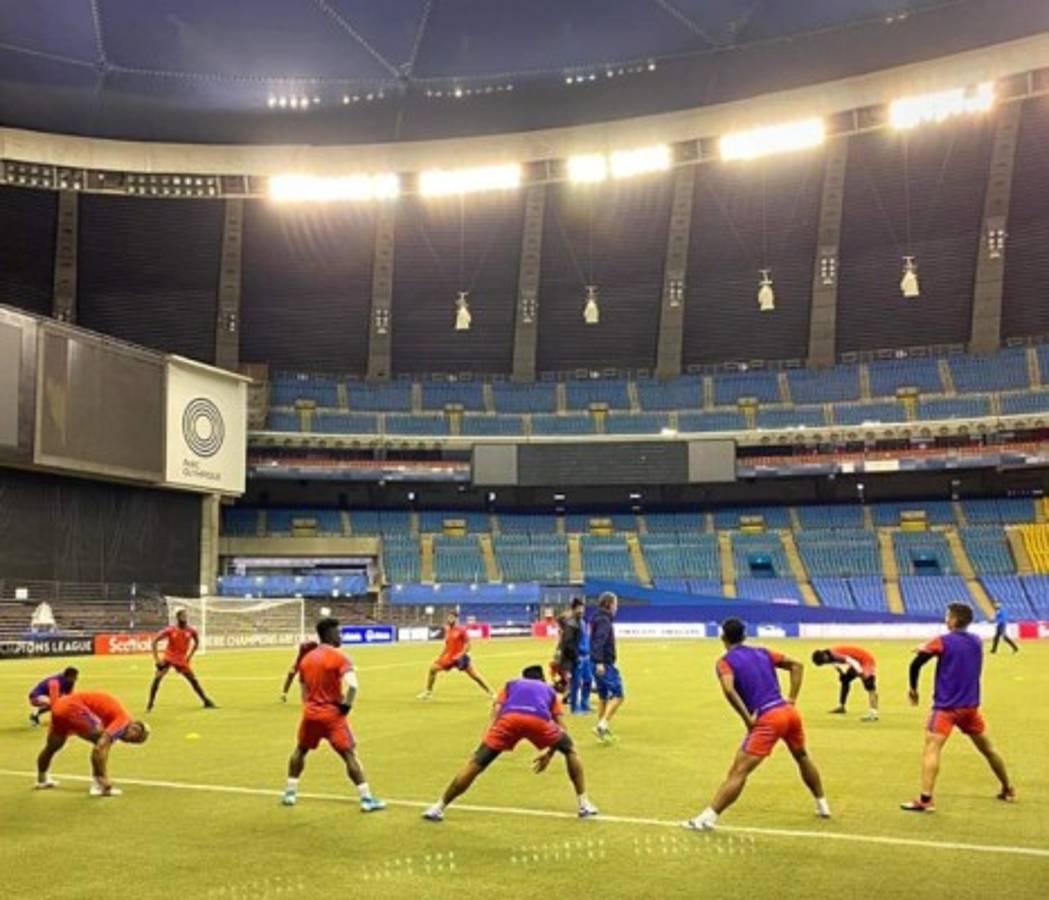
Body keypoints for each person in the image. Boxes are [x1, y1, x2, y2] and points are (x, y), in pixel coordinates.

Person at [684, 618, 831, 831]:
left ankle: (707, 819)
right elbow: (797, 665)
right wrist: (791, 699)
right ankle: (822, 805)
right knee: (802, 756)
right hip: (788, 713)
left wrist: (747, 719)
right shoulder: (763, 652)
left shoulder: (725, 662)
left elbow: (728, 689)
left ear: (723, 637)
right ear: (744, 635)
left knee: (739, 771)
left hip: (768, 718)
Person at [422, 664, 598, 821]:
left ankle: (438, 807)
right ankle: (584, 804)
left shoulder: (511, 684)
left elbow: (496, 711)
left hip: (509, 720)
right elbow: (562, 728)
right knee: (571, 750)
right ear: (542, 679)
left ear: (523, 677)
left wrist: (486, 741)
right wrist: (549, 754)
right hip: (538, 720)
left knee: (476, 764)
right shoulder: (549, 691)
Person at [901, 602, 1016, 812]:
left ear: (953, 620)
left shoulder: (942, 641)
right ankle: (1008, 788)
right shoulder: (976, 641)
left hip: (945, 708)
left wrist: (913, 688)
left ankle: (926, 800)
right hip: (970, 707)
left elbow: (915, 664)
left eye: (948, 616)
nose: (946, 619)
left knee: (932, 749)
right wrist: (926, 646)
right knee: (988, 749)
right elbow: (955, 647)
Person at [281, 617, 385, 811]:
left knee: (301, 750)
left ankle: (290, 793)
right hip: (332, 715)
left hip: (310, 714)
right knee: (349, 754)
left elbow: (303, 689)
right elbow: (353, 686)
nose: (341, 636)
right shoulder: (339, 658)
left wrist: (309, 706)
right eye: (338, 632)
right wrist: (346, 706)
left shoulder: (307, 659)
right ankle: (366, 799)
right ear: (329, 634)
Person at [35, 689, 149, 797]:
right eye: (133, 739)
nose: (128, 742)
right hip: (72, 707)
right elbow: (100, 747)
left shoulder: (116, 718)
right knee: (102, 742)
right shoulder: (123, 721)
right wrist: (104, 779)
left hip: (59, 707)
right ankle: (100, 784)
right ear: (135, 728)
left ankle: (42, 779)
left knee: (53, 746)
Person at [147, 609, 216, 711]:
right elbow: (154, 641)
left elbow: (196, 642)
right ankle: (150, 703)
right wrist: (157, 659)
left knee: (193, 680)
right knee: (157, 679)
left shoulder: (191, 631)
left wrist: (189, 657)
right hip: (169, 658)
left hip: (181, 660)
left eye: (185, 616)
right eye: (183, 616)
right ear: (178, 617)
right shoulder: (171, 630)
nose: (185, 617)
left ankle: (206, 701)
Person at [417, 611, 494, 700]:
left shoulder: (461, 630)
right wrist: (441, 655)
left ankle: (491, 693)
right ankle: (428, 693)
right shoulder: (448, 630)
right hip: (448, 658)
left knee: (475, 676)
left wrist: (461, 654)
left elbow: (468, 644)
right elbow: (447, 645)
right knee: (432, 669)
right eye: (449, 617)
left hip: (459, 658)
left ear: (456, 619)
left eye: (452, 617)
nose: (450, 619)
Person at [811, 646, 879, 721]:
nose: (826, 663)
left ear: (824, 656)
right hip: (857, 661)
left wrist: (861, 673)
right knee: (845, 680)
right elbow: (836, 664)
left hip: (866, 660)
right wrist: (842, 674)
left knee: (869, 684)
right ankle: (842, 707)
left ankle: (873, 713)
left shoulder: (835, 654)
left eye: (825, 661)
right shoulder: (828, 655)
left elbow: (852, 662)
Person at [589, 592, 623, 741]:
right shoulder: (604, 620)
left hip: (596, 662)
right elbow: (599, 641)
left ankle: (601, 733)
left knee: (603, 697)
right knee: (618, 695)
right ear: (609, 604)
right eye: (615, 604)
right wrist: (600, 662)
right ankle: (602, 725)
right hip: (604, 664)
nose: (617, 607)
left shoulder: (598, 618)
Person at [552, 600, 585, 702]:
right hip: (567, 653)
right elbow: (567, 642)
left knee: (568, 676)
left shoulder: (572, 624)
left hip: (565, 652)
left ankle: (566, 692)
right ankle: (566, 693)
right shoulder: (570, 624)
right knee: (570, 676)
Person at [571, 614, 594, 715]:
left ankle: (585, 704)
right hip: (578, 657)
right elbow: (570, 642)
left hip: (587, 656)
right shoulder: (572, 624)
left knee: (588, 679)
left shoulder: (583, 622)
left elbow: (586, 638)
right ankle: (574, 707)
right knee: (576, 683)